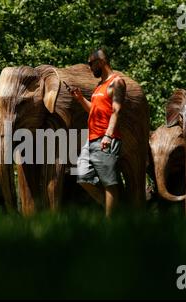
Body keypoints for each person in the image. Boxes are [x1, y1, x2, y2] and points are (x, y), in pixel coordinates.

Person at [70, 48, 126, 217]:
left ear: (101, 62)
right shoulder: (99, 86)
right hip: (92, 138)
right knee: (82, 176)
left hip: (106, 138)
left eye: (91, 63)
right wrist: (80, 99)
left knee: (109, 182)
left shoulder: (116, 82)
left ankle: (110, 224)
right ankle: (113, 209)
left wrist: (108, 135)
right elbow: (93, 110)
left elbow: (116, 110)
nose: (90, 67)